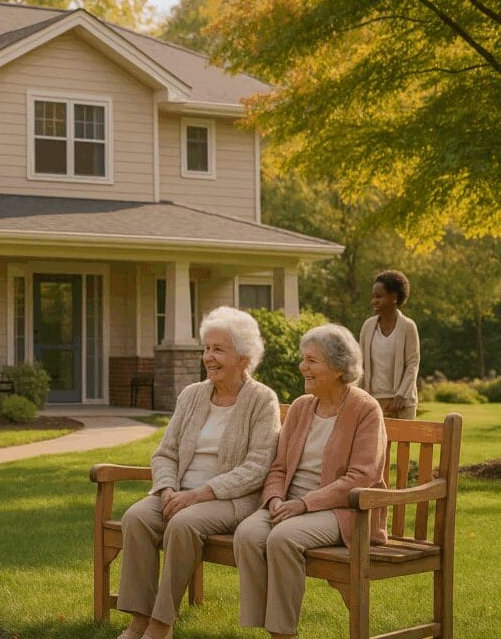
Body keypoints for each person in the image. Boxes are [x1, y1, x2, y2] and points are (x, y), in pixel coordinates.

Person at [116, 306, 281, 639]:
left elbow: (257, 466)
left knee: (183, 523)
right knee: (136, 517)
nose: (209, 357)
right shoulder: (191, 395)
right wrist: (165, 490)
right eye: (207, 349)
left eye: (219, 350)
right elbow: (165, 452)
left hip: (231, 499)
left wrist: (200, 494)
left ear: (244, 358)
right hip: (179, 492)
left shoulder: (263, 400)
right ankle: (138, 620)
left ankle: (161, 625)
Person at [234, 323, 388, 639]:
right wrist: (275, 499)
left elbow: (362, 476)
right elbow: (278, 467)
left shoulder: (365, 409)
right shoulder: (302, 407)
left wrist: (304, 504)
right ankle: (262, 623)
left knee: (283, 538)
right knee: (248, 533)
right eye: (304, 359)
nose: (302, 367)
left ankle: (282, 633)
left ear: (337, 367)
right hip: (290, 503)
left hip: (344, 511)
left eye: (311, 361)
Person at [359, 270, 420, 419]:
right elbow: (359, 364)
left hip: (401, 403)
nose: (374, 301)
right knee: (374, 443)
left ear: (394, 297)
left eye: (379, 296)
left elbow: (413, 363)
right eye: (373, 297)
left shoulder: (408, 326)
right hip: (372, 401)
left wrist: (401, 395)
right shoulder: (368, 326)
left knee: (402, 443)